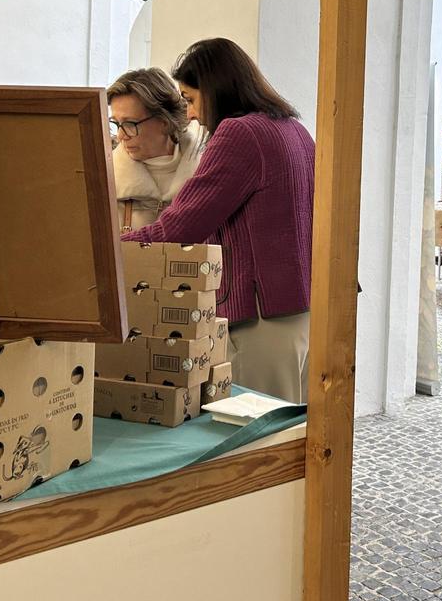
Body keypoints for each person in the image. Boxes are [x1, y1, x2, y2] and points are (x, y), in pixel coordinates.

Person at [122, 39, 315, 403]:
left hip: (261, 318)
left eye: (191, 99)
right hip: (301, 309)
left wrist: (109, 246)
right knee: (292, 433)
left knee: (256, 436)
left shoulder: (241, 133)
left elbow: (180, 227)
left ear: (216, 89)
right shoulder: (295, 130)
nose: (191, 115)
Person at [107, 68, 204, 230]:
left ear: (164, 121)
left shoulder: (207, 174)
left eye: (130, 123)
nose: (121, 136)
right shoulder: (105, 181)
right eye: (116, 123)